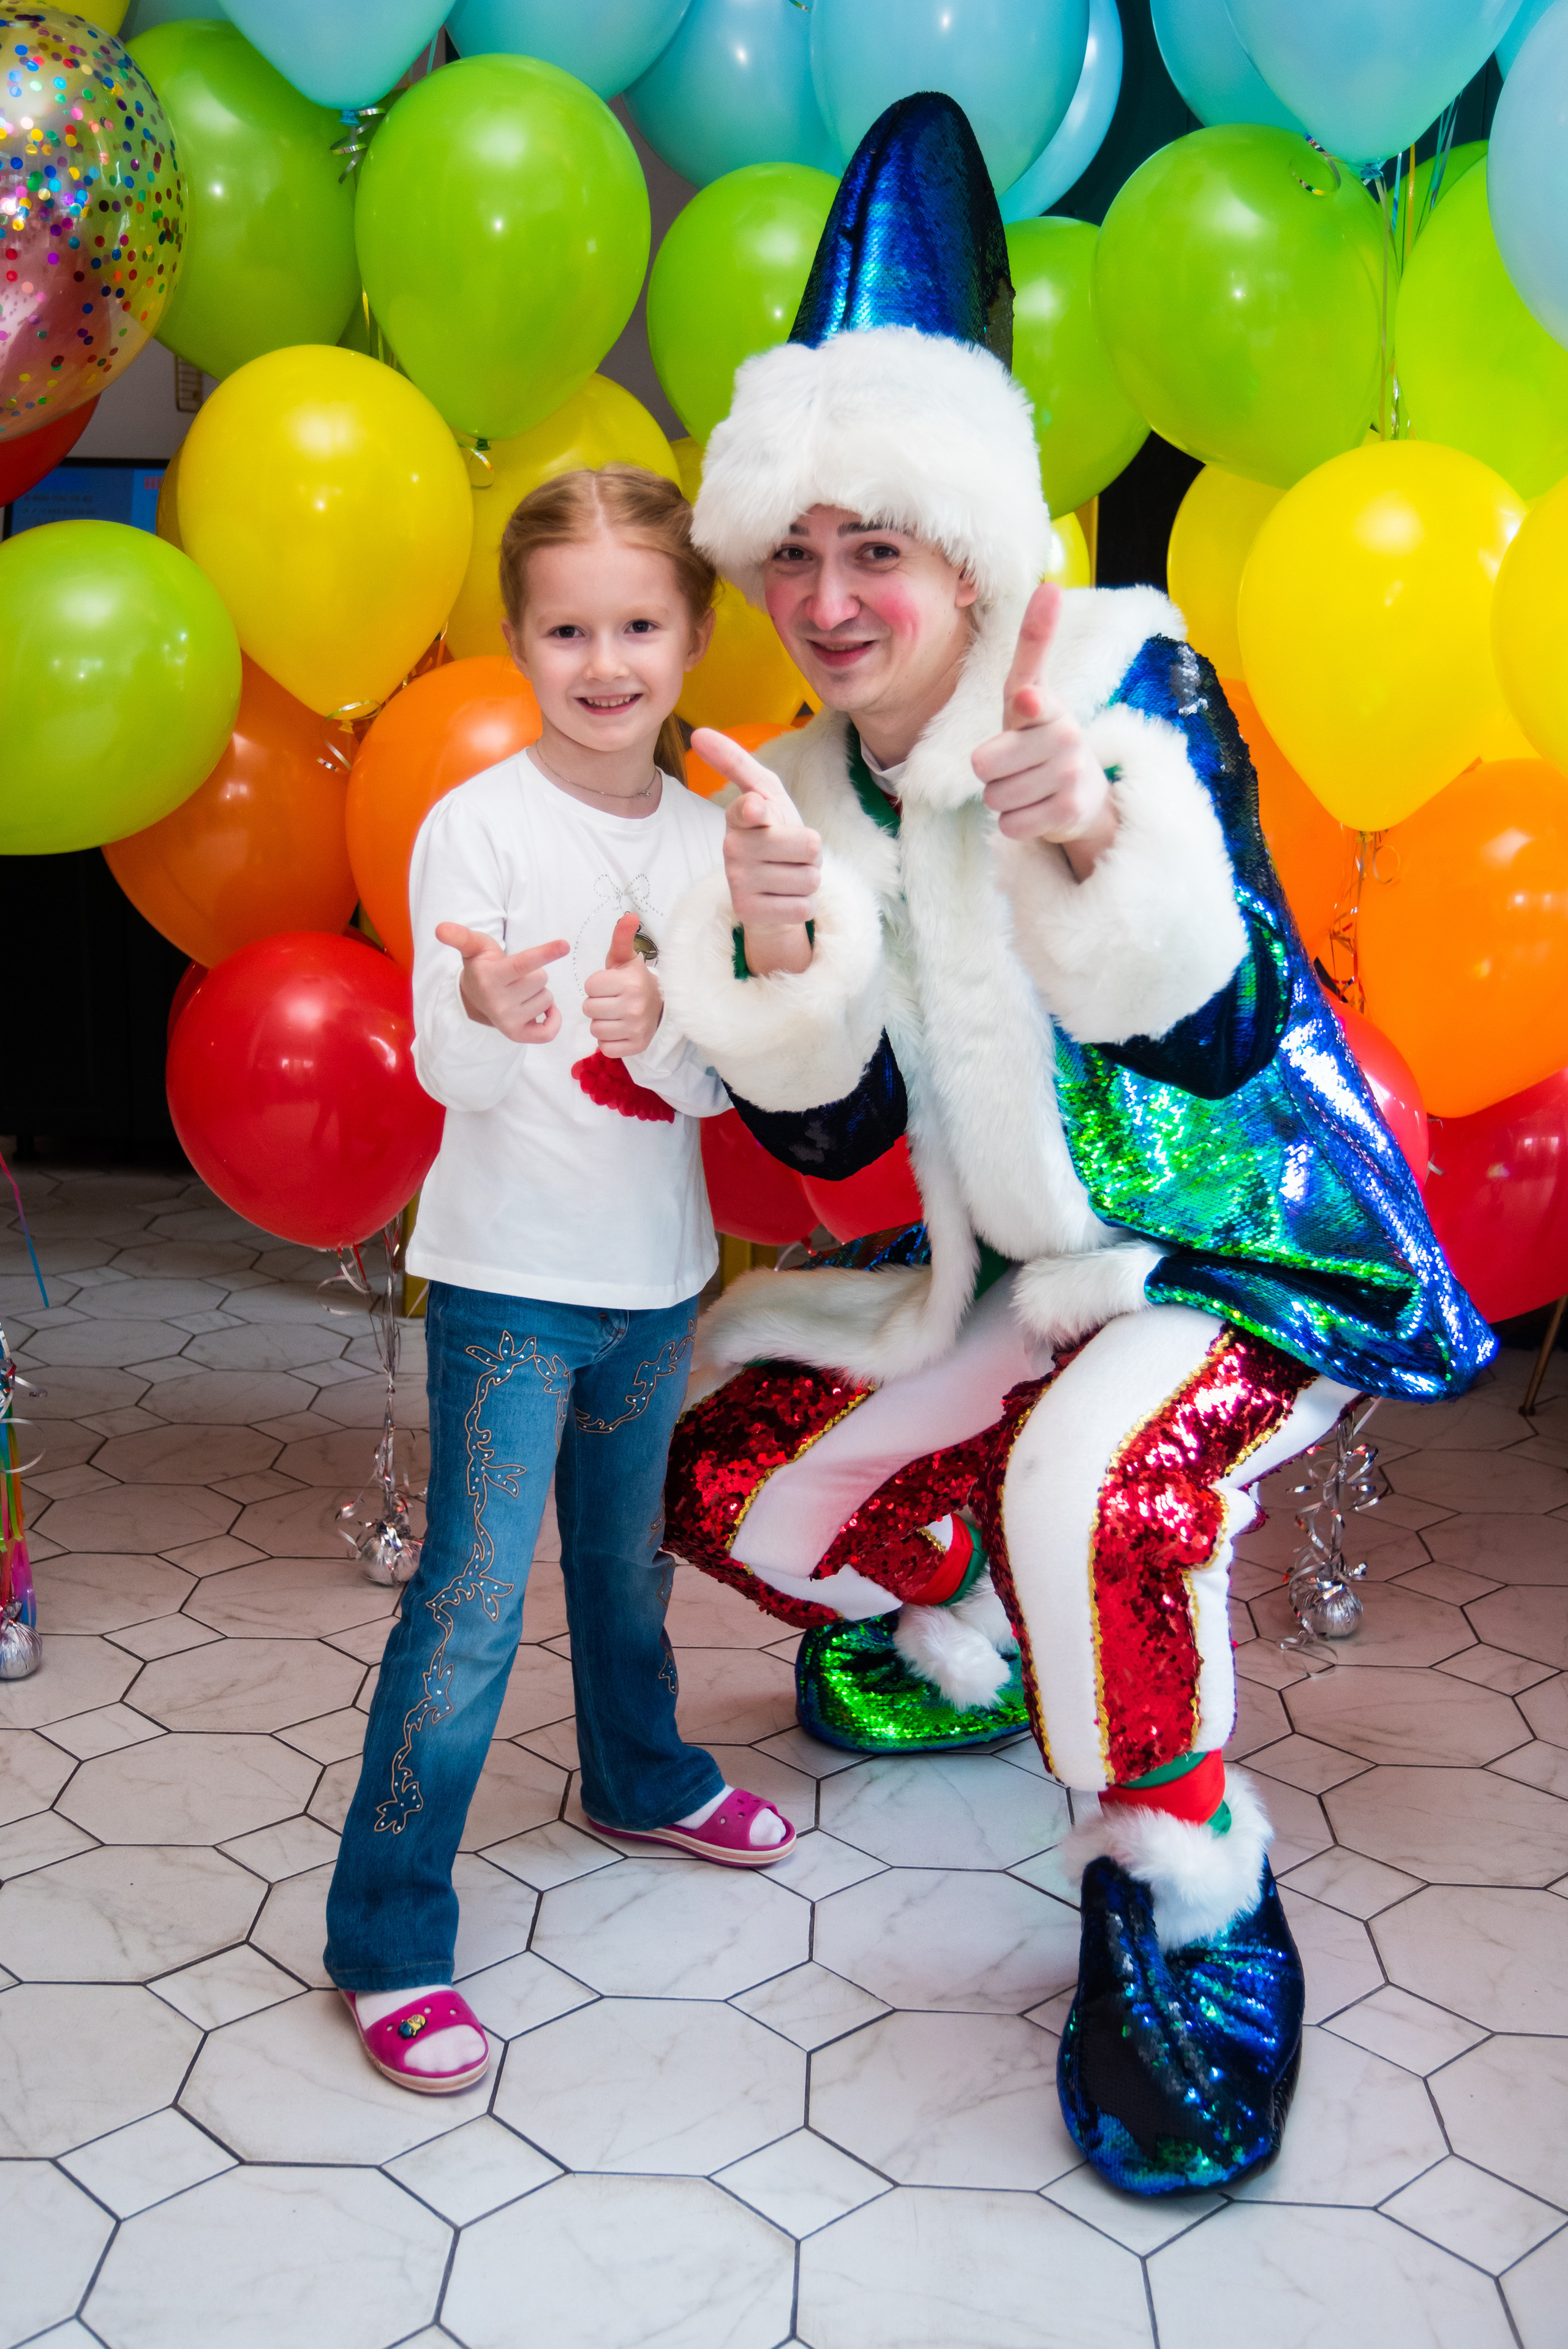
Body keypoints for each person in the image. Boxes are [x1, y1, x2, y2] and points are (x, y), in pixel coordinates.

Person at [655, 96, 1496, 2194]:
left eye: (880, 550)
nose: (834, 604)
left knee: (1098, 1483)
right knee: (736, 1479)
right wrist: (777, 953)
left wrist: (1102, 835)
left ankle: (1187, 1888)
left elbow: (1221, 1027)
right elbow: (842, 1132)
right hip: (1022, 1279)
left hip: (1242, 1247)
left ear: (968, 546)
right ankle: (993, 1647)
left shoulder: (1119, 674)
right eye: (802, 557)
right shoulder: (802, 780)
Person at [325, 464, 797, 2100]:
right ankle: (387, 1929)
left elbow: (721, 1084)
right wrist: (504, 1014)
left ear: (692, 634)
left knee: (623, 1558)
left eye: (641, 625)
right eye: (569, 628)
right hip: (509, 1285)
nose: (607, 661)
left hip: (656, 1278)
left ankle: (638, 1773)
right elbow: (446, 1061)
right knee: (465, 1606)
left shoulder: (704, 844)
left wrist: (655, 1030)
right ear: (519, 639)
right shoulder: (479, 823)